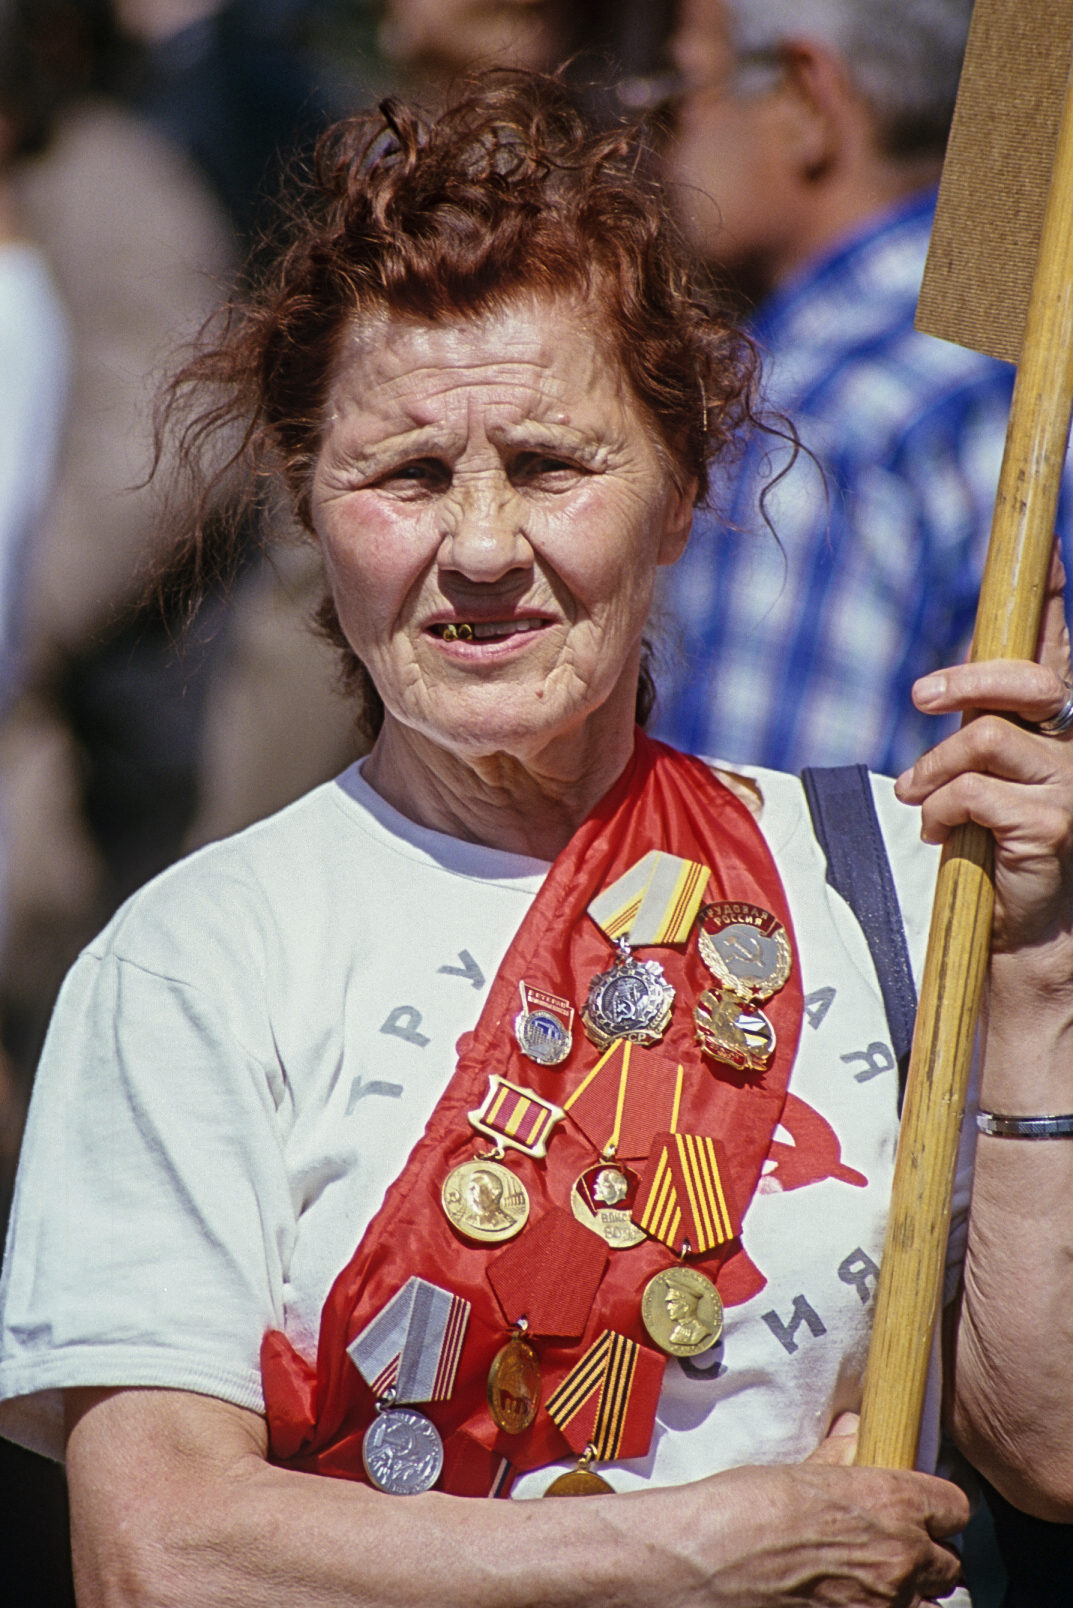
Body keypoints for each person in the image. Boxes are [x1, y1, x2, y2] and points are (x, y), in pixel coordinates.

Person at [0, 72, 1070, 1606]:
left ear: (683, 493)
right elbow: (159, 1558)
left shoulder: (897, 886)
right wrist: (696, 1552)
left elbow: (1048, 1450)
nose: (484, 548)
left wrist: (1037, 976)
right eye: (408, 475)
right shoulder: (194, 965)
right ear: (309, 500)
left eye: (555, 466)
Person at [652, 0, 1068, 778]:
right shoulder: (1020, 354)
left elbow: (758, 856)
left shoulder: (809, 419)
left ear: (808, 101)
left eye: (681, 90)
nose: (658, 144)